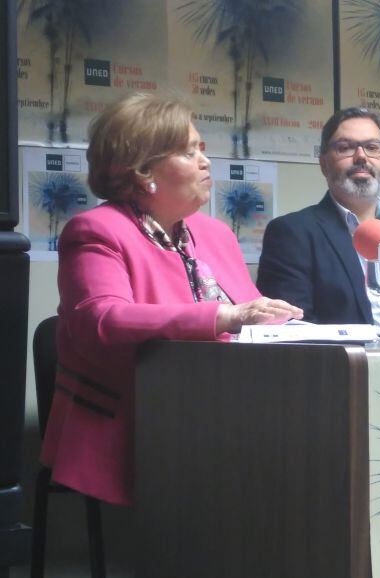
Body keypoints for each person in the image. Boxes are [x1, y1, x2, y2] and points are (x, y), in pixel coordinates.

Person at [41, 93, 303, 506]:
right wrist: (224, 316)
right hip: (138, 420)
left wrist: (293, 326)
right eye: (188, 151)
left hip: (222, 411)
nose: (205, 161)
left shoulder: (216, 234)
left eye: (202, 148)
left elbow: (254, 318)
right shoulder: (95, 230)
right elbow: (102, 319)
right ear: (144, 170)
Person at [257, 107, 380, 324]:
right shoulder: (292, 233)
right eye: (345, 148)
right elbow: (293, 329)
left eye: (372, 147)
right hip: (346, 358)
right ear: (324, 163)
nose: (361, 157)